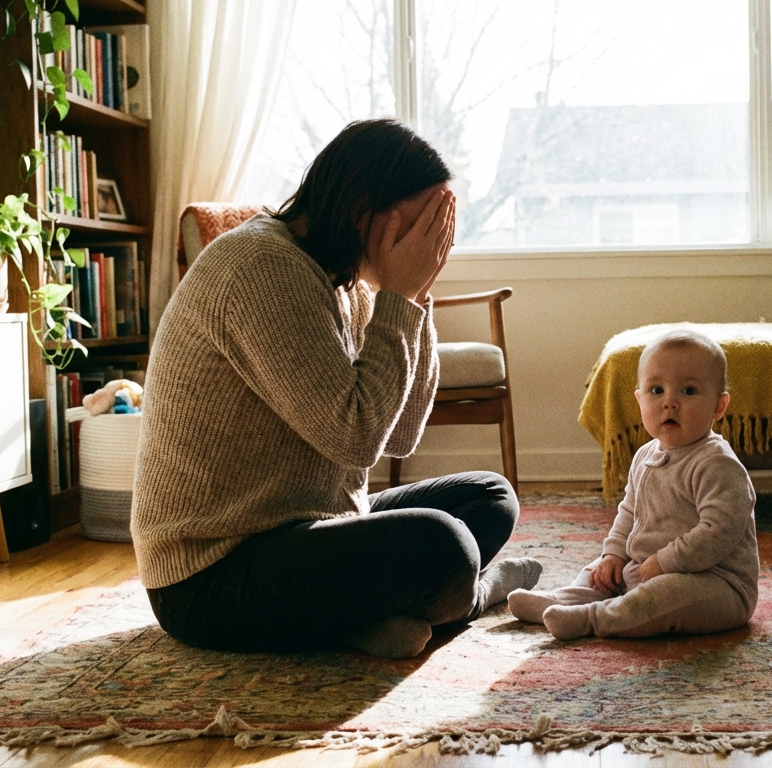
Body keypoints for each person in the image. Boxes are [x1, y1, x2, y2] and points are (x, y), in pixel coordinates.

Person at [132, 119, 542, 659]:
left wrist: (413, 298)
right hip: (210, 572)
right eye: (420, 227)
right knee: (445, 547)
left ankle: (357, 619)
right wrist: (398, 293)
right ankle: (477, 595)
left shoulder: (346, 278)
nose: (428, 244)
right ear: (363, 209)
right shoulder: (261, 267)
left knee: (489, 497)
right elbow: (357, 438)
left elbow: (401, 434)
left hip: (304, 522)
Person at [508, 329, 758, 640]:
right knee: (599, 572)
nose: (670, 403)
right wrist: (613, 555)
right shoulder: (644, 455)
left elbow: (719, 531)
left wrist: (666, 562)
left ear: (719, 407)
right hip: (645, 567)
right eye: (656, 390)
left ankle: (590, 619)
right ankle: (565, 599)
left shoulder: (717, 464)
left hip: (715, 585)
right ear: (639, 399)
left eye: (689, 391)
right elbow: (629, 512)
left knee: (663, 595)